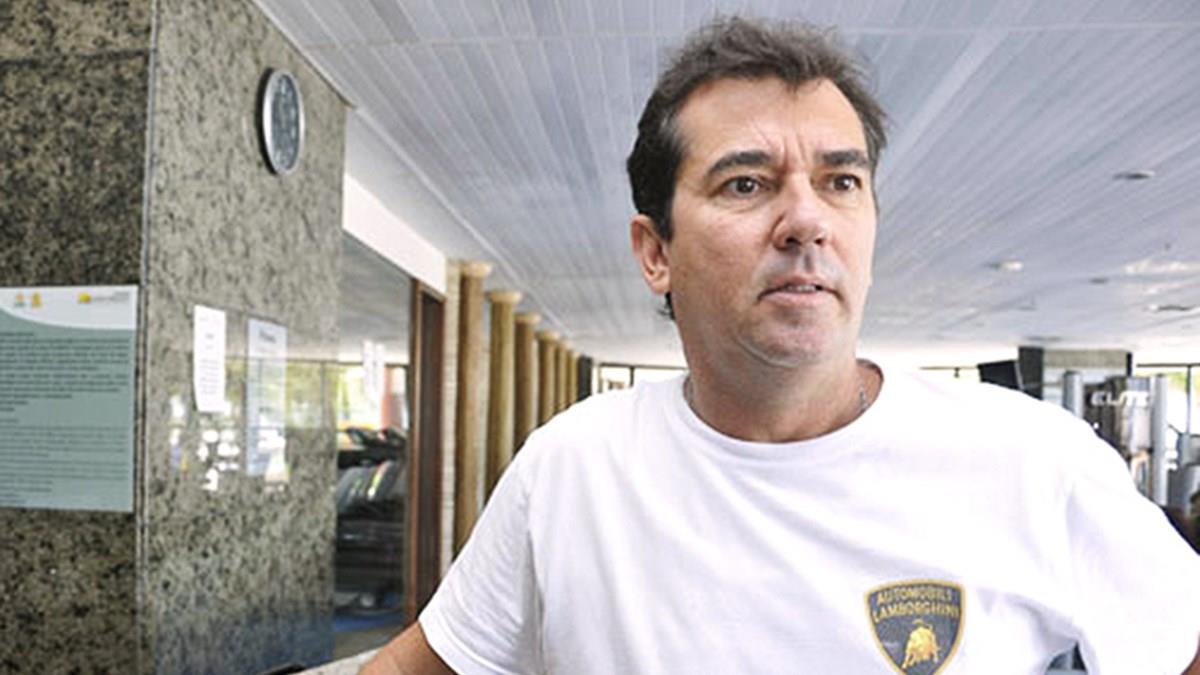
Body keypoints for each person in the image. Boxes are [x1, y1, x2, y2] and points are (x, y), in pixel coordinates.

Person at [363, 17, 1200, 674]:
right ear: (655, 252)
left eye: (841, 181)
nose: (806, 219)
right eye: (746, 183)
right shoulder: (572, 470)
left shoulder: (1034, 460)